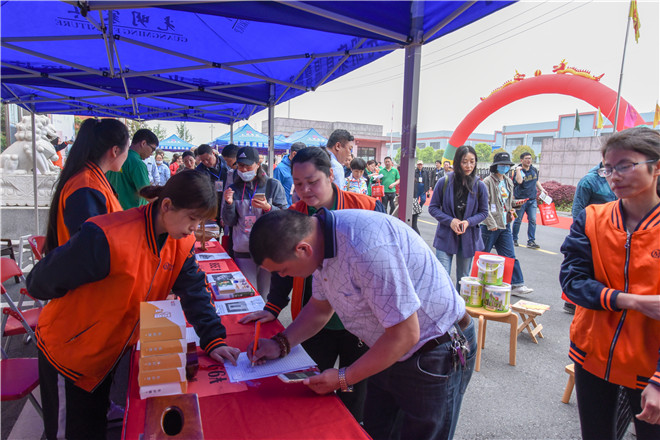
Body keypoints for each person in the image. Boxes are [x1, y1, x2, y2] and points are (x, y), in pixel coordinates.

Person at [27, 171, 241, 439]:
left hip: (108, 355)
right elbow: (39, 281)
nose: (194, 229)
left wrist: (214, 339)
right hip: (70, 355)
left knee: (95, 428)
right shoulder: (108, 235)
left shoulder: (180, 242)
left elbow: (194, 291)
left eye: (201, 221)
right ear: (166, 206)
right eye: (192, 218)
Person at [247, 208, 476, 440]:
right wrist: (281, 343)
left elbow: (406, 334)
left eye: (282, 270)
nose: (284, 277)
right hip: (387, 351)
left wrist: (343, 377)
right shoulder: (320, 244)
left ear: (303, 249)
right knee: (375, 432)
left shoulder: (365, 248)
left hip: (432, 352)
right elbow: (320, 308)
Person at [239, 147, 384, 422]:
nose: (305, 189)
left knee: (354, 389)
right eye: (298, 183)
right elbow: (285, 270)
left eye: (312, 181)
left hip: (361, 322)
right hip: (315, 317)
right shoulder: (295, 216)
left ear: (330, 175)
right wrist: (272, 306)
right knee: (312, 385)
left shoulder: (366, 207)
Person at [559, 126, 660, 438]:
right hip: (593, 355)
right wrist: (629, 300)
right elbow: (572, 281)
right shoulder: (592, 219)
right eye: (608, 168)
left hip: (648, 365)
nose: (615, 175)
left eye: (626, 165)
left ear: (656, 168)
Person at [44, 118, 129, 254]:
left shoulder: (93, 179)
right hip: (84, 273)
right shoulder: (86, 187)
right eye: (127, 148)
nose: (127, 154)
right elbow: (90, 248)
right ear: (115, 150)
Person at [221, 146, 287, 295]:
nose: (244, 170)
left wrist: (268, 208)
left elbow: (284, 217)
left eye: (248, 166)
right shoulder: (233, 189)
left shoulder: (272, 185)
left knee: (266, 294)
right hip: (242, 248)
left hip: (268, 249)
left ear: (258, 164)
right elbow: (229, 222)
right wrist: (229, 204)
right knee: (247, 293)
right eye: (241, 166)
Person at [429, 145, 488, 290]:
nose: (469, 166)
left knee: (463, 279)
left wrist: (468, 222)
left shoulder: (480, 186)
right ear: (457, 162)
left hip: (468, 237)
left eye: (472, 162)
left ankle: (459, 310)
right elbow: (433, 208)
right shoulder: (444, 182)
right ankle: (443, 309)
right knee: (442, 277)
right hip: (446, 236)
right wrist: (451, 221)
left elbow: (484, 212)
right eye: (464, 161)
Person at [562, 162, 618, 314]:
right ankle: (572, 303)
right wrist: (581, 232)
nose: (618, 177)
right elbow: (578, 208)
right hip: (593, 232)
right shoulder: (589, 181)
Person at [480, 152, 534, 296]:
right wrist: (491, 223)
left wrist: (517, 204)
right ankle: (479, 282)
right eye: (502, 165)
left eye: (507, 165)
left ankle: (516, 284)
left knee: (509, 255)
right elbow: (484, 206)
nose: (504, 167)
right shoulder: (487, 182)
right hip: (490, 226)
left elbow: (508, 203)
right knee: (483, 255)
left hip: (505, 225)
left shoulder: (508, 181)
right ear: (495, 166)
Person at [106, 128, 159, 209]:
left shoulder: (115, 157)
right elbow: (149, 195)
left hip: (112, 210)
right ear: (143, 143)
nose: (151, 154)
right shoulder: (138, 164)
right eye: (152, 149)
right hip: (131, 215)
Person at [511, 152, 547, 249]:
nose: (529, 160)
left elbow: (536, 180)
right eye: (526, 158)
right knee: (518, 220)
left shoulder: (534, 169)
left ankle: (531, 241)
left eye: (530, 158)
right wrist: (518, 170)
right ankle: (514, 239)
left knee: (533, 220)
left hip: (532, 199)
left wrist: (542, 189)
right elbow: (519, 181)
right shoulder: (517, 170)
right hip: (521, 200)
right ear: (521, 160)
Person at [196, 144, 229, 226]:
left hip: (227, 202)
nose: (206, 162)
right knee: (213, 234)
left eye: (208, 159)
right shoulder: (199, 170)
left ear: (213, 154)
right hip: (212, 205)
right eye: (202, 161)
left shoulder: (226, 163)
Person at [273, 141, 306, 206]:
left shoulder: (302, 167)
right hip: (286, 209)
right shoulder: (280, 169)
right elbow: (274, 191)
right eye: (303, 157)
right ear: (294, 154)